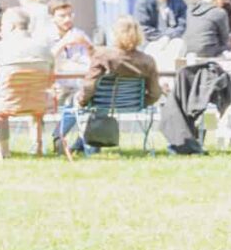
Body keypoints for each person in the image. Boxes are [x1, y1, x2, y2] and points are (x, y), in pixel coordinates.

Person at [60, 18, 162, 154]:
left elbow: (89, 86)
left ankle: (60, 139)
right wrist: (142, 102)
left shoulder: (103, 56)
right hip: (133, 103)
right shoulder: (148, 61)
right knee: (91, 104)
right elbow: (155, 92)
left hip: (102, 103)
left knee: (75, 101)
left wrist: (82, 100)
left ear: (115, 35)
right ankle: (80, 144)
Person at [160, 0, 231, 154]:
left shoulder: (189, 10)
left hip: (187, 63)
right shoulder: (219, 13)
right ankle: (227, 128)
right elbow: (224, 40)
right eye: (224, 0)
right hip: (211, 61)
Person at [0, 7, 57, 156]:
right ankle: (37, 146)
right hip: (39, 102)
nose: (0, 31)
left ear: (11, 26)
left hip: (6, 102)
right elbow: (50, 79)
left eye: (2, 26)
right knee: (35, 109)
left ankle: (4, 151)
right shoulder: (45, 49)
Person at [50, 0, 95, 71]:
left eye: (70, 15)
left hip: (79, 80)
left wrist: (87, 45)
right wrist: (63, 43)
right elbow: (45, 63)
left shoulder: (80, 35)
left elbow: (93, 62)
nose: (67, 19)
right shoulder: (45, 37)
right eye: (62, 16)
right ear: (52, 18)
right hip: (55, 81)